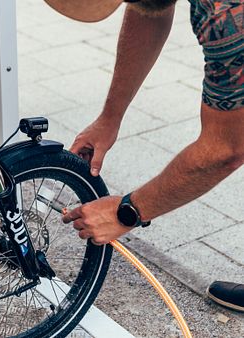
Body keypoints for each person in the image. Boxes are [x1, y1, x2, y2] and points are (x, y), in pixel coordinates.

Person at [44, 0, 244, 312]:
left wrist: (126, 212)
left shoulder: (226, 15)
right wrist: (110, 117)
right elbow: (150, 10)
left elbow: (225, 150)